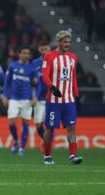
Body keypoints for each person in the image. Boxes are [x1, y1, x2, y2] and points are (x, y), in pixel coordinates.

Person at [41, 30, 83, 165]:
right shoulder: (49, 56)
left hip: (68, 100)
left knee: (71, 127)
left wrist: (76, 96)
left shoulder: (73, 57)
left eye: (69, 42)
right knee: (49, 128)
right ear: (58, 42)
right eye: (64, 41)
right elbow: (45, 75)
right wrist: (52, 88)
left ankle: (72, 156)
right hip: (54, 101)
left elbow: (73, 78)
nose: (67, 44)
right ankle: (47, 156)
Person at [2, 46, 38, 156]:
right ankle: (16, 141)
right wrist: (5, 96)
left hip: (27, 98)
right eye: (24, 53)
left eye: (28, 53)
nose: (26, 55)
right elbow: (7, 82)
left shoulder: (32, 68)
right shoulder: (12, 66)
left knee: (26, 122)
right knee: (11, 122)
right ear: (19, 54)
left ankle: (22, 147)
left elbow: (37, 84)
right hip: (14, 98)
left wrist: (35, 97)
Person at [32, 42, 51, 139]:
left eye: (46, 49)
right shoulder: (34, 63)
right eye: (42, 49)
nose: (44, 51)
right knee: (38, 124)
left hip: (51, 98)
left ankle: (47, 145)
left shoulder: (54, 62)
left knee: (49, 124)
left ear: (50, 49)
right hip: (38, 98)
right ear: (39, 49)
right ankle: (46, 141)